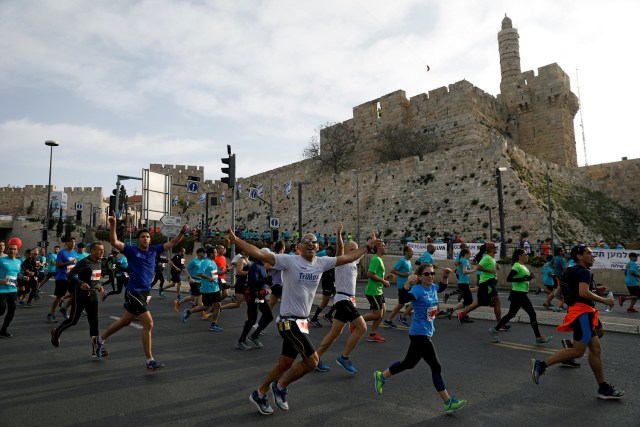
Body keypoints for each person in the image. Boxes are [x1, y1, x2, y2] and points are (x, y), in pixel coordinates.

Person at [227, 227, 379, 416]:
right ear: (299, 247)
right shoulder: (290, 261)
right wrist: (237, 241)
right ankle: (280, 386)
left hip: (302, 322)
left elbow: (348, 258)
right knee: (312, 362)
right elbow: (259, 254)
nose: (309, 243)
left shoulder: (322, 263)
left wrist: (367, 247)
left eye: (313, 241)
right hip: (288, 321)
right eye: (305, 241)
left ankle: (260, 393)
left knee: (285, 364)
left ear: (318, 246)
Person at [93, 214, 189, 371]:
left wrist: (182, 232)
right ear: (138, 239)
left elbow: (172, 243)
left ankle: (100, 339)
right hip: (134, 292)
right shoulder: (131, 251)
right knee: (149, 323)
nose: (146, 239)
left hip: (144, 292)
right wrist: (113, 225)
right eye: (143, 237)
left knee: (125, 321)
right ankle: (149, 360)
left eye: (148, 237)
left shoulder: (154, 250)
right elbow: (114, 242)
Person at [531, 244, 624, 400]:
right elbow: (582, 292)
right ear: (579, 256)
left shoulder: (570, 270)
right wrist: (604, 300)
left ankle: (603, 387)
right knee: (580, 351)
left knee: (597, 340)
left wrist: (579, 299)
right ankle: (541, 365)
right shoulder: (584, 271)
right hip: (582, 313)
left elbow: (559, 293)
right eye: (589, 253)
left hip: (582, 312)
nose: (592, 256)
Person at [373, 263, 465, 414]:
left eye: (432, 273)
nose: (430, 276)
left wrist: (446, 276)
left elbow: (441, 287)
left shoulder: (433, 288)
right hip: (419, 334)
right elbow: (403, 298)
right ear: (420, 276)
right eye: (427, 274)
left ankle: (381, 376)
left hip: (427, 332)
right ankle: (448, 402)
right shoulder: (417, 290)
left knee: (408, 363)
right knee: (436, 367)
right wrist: (408, 283)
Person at [315, 223, 367, 374]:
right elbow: (339, 249)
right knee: (362, 327)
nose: (355, 252)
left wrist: (372, 243)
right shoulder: (341, 260)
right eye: (352, 249)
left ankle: (315, 358)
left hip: (348, 300)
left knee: (335, 332)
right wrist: (338, 236)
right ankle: (344, 357)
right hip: (342, 299)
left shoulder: (354, 262)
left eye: (355, 250)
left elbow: (363, 252)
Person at [50, 242, 109, 357]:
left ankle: (96, 349)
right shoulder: (84, 262)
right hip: (80, 295)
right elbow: (70, 275)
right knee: (73, 320)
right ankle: (56, 333)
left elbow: (93, 280)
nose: (102, 252)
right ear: (92, 251)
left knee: (94, 322)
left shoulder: (100, 262)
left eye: (103, 250)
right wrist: (80, 283)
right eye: (99, 250)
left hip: (92, 296)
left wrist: (98, 286)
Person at [488, 249, 552, 344]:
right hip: (519, 294)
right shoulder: (517, 266)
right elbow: (509, 278)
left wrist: (528, 277)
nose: (527, 256)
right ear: (519, 256)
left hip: (519, 293)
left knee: (511, 314)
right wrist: (523, 278)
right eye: (525, 254)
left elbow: (522, 279)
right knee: (532, 314)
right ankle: (538, 337)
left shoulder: (522, 266)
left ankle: (494, 330)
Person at [236, 247, 274, 350]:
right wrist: (265, 279)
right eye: (269, 255)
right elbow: (252, 282)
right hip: (253, 295)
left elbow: (261, 281)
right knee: (252, 319)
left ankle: (254, 335)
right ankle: (241, 340)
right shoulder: (255, 266)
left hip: (260, 295)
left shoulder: (262, 266)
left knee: (269, 316)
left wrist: (268, 282)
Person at [456, 242, 503, 326]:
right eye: (494, 247)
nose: (496, 249)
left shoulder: (492, 258)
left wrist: (497, 267)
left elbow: (493, 267)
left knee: (480, 302)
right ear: (490, 249)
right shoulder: (486, 257)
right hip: (487, 282)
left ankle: (461, 314)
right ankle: (500, 325)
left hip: (490, 282)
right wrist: (491, 271)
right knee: (497, 301)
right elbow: (479, 267)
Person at [182, 247, 223, 331]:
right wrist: (208, 278)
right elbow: (199, 273)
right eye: (215, 252)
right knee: (205, 307)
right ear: (211, 254)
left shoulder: (213, 262)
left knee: (218, 305)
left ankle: (213, 324)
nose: (216, 254)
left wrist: (224, 271)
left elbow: (214, 274)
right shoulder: (205, 262)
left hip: (215, 288)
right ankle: (189, 312)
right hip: (207, 289)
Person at [362, 240, 390, 342]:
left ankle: (372, 334)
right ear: (378, 247)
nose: (385, 247)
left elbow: (377, 275)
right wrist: (383, 281)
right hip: (373, 291)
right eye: (383, 245)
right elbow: (370, 274)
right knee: (377, 314)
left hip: (378, 290)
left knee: (383, 311)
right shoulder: (376, 259)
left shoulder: (379, 259)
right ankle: (356, 321)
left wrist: (386, 278)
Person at [384, 246, 414, 328]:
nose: (412, 253)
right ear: (406, 252)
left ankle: (404, 313)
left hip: (408, 285)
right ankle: (390, 319)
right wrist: (403, 274)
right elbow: (392, 270)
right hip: (403, 286)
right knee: (401, 304)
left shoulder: (408, 261)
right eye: (411, 251)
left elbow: (408, 272)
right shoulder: (402, 261)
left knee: (414, 299)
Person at [48, 237, 77, 323]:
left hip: (71, 278)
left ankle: (64, 309)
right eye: (71, 242)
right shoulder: (62, 252)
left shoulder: (75, 253)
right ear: (67, 243)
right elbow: (57, 265)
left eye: (74, 242)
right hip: (62, 278)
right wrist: (69, 263)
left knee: (75, 295)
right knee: (59, 297)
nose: (73, 244)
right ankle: (51, 314)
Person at [0, 241, 22, 338]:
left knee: (12, 311)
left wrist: (21, 281)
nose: (12, 250)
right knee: (1, 310)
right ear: (7, 250)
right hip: (1, 290)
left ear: (17, 251)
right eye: (10, 248)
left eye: (14, 249)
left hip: (13, 290)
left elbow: (17, 274)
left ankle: (3, 330)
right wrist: (0, 280)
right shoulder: (1, 260)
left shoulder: (18, 262)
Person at [310, 246, 336, 327]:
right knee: (325, 301)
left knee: (339, 298)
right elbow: (328, 273)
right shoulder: (329, 260)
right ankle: (315, 318)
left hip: (330, 282)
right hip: (327, 282)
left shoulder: (333, 259)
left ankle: (328, 315)